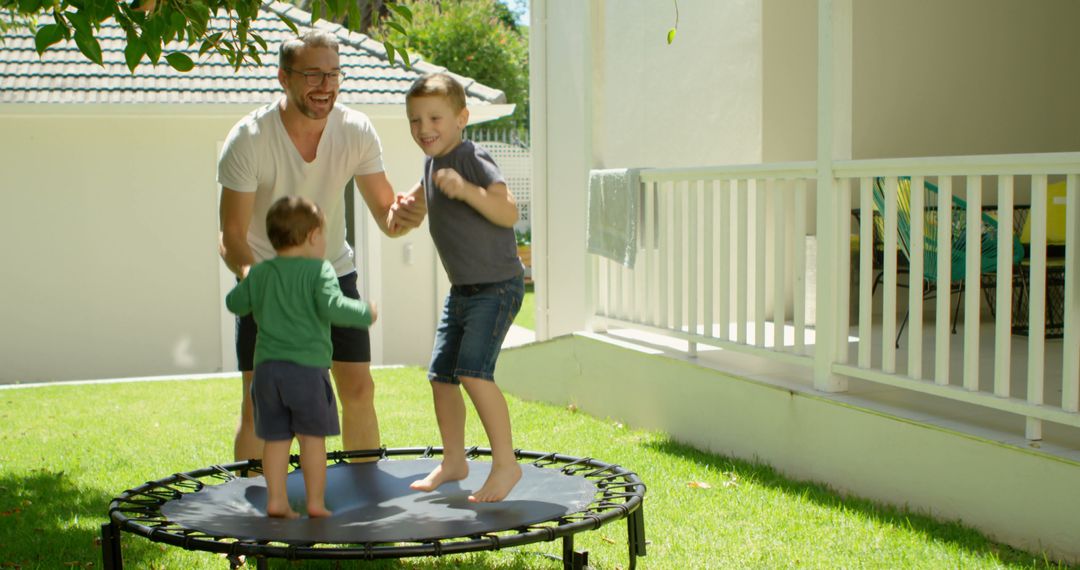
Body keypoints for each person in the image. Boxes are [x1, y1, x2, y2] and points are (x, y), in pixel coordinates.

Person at [218, 30, 424, 462]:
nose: (325, 86)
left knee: (359, 388)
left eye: (333, 74)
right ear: (283, 78)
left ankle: (365, 502)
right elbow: (232, 235)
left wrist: (405, 216)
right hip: (268, 279)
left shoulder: (355, 130)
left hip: (331, 274)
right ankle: (250, 516)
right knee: (261, 403)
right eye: (313, 74)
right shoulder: (249, 138)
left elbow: (387, 216)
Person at [402, 73, 525, 503]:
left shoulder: (472, 155)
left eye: (434, 117)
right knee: (441, 376)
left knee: (473, 372)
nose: (423, 128)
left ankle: (506, 465)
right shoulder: (431, 162)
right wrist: (409, 203)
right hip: (463, 291)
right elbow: (426, 199)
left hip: (497, 286)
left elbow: (508, 211)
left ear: (462, 118)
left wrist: (467, 189)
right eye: (414, 120)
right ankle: (454, 460)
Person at [225, 196, 376, 518]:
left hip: (267, 374)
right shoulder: (319, 270)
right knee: (311, 440)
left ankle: (276, 501)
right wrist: (365, 312)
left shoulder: (262, 272)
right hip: (306, 373)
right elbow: (333, 306)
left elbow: (235, 304)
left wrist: (251, 279)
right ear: (312, 237)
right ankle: (314, 503)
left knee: (276, 441)